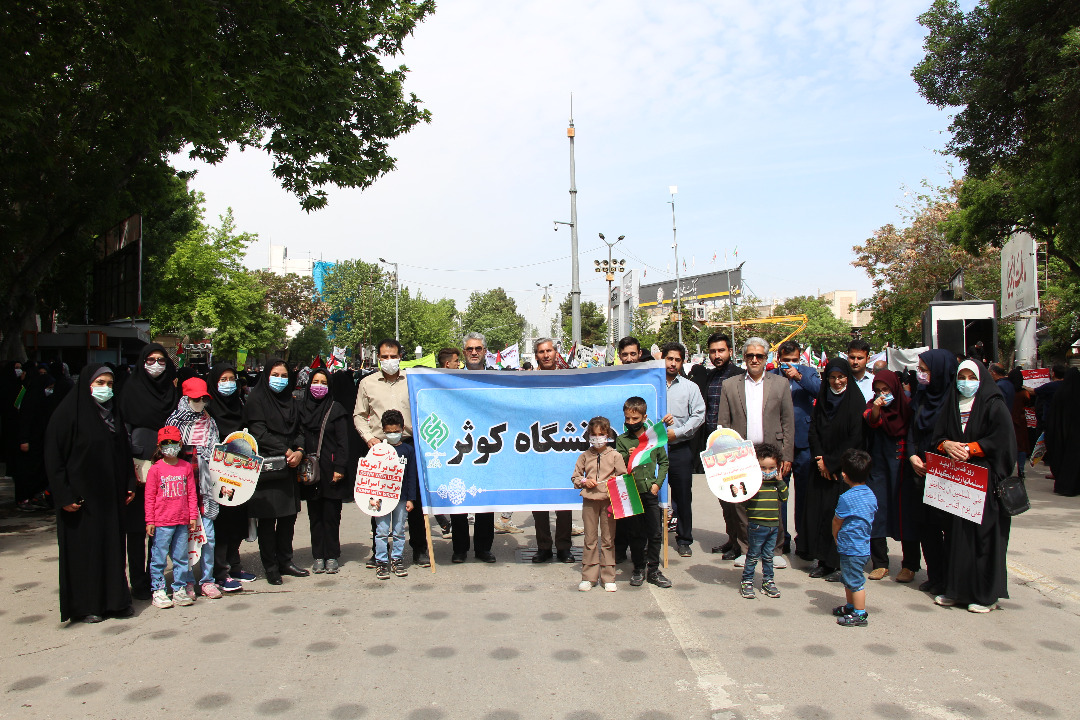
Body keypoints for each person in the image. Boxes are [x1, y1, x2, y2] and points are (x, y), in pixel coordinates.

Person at [45, 365, 137, 623]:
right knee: (86, 551)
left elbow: (123, 451)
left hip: (111, 496)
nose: (106, 389)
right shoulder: (66, 415)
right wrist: (63, 495)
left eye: (109, 383)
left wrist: (129, 481)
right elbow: (54, 459)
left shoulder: (113, 413)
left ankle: (115, 602)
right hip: (81, 500)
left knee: (112, 548)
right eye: (100, 383)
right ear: (86, 384)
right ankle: (87, 606)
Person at [931, 360, 1017, 613]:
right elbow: (937, 437)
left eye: (971, 377)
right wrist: (946, 445)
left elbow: (1003, 440)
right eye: (962, 376)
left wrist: (972, 448)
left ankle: (984, 596)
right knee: (958, 538)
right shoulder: (951, 404)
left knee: (984, 539)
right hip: (959, 484)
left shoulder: (993, 404)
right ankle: (956, 591)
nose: (966, 382)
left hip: (986, 482)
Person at [715, 337, 794, 567]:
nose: (755, 359)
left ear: (766, 358)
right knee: (741, 501)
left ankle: (775, 550)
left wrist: (787, 455)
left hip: (772, 453)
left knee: (774, 502)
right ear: (744, 357)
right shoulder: (731, 385)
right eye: (750, 356)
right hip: (741, 452)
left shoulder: (780, 384)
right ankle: (745, 549)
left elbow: (788, 422)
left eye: (759, 355)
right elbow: (724, 422)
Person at [354, 339, 432, 566]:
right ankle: (378, 551)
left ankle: (420, 549)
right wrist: (369, 438)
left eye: (393, 356)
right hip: (380, 449)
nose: (389, 361)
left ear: (400, 356)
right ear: (378, 358)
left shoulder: (412, 380)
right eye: (384, 357)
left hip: (410, 445)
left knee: (413, 498)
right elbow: (359, 415)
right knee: (378, 499)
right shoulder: (367, 383)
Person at [243, 360, 308, 585]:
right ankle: (270, 566)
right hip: (268, 467)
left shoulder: (292, 401)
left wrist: (299, 450)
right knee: (268, 520)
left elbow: (300, 429)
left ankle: (286, 561)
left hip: (289, 466)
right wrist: (285, 450)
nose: (279, 379)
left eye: (283, 375)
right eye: (275, 374)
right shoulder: (256, 400)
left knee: (288, 518)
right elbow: (258, 432)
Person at [806, 358, 866, 581]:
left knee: (841, 517)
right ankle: (823, 561)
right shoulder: (823, 399)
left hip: (843, 471)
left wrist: (832, 463)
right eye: (832, 377)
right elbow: (814, 430)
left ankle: (839, 563)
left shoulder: (856, 402)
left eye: (841, 377)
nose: (837, 381)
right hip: (821, 468)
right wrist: (820, 459)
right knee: (821, 514)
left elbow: (855, 438)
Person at [164, 377, 223, 599]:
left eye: (203, 398)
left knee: (208, 536)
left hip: (205, 487)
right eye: (196, 398)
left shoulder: (209, 421)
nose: (199, 402)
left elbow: (215, 448)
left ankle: (207, 579)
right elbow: (168, 452)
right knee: (183, 538)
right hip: (181, 488)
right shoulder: (174, 422)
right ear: (186, 397)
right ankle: (186, 580)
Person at [907, 349, 959, 594]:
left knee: (947, 527)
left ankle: (951, 577)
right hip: (921, 471)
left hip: (946, 474)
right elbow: (912, 430)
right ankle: (935, 575)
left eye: (925, 370)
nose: (921, 375)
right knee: (926, 527)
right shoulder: (922, 396)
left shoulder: (955, 400)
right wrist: (912, 455)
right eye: (920, 369)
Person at [690, 333, 745, 556]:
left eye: (721, 351)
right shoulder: (710, 377)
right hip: (713, 446)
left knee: (738, 498)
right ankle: (731, 539)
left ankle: (743, 544)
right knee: (724, 497)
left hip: (734, 445)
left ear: (730, 352)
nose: (716, 355)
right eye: (713, 352)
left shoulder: (740, 376)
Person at [862, 369, 918, 582]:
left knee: (906, 516)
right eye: (878, 391)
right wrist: (877, 407)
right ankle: (880, 563)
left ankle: (910, 565)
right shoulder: (871, 406)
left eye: (886, 390)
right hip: (879, 467)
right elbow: (872, 421)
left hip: (904, 468)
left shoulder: (909, 406)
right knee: (877, 513)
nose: (883, 394)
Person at [769, 340, 820, 559]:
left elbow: (820, 392)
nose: (790, 364)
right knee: (780, 493)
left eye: (795, 360)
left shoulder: (809, 373)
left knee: (805, 495)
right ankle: (782, 540)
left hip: (804, 442)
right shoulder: (772, 377)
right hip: (779, 444)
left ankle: (804, 540)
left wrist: (799, 376)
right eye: (786, 360)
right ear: (779, 359)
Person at [449, 332, 497, 563]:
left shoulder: (497, 379)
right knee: (458, 498)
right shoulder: (450, 379)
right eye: (470, 349)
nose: (475, 352)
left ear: (485, 351)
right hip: (460, 447)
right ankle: (459, 549)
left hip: (488, 446)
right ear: (464, 352)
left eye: (478, 348)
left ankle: (483, 548)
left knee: (485, 501)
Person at [205, 363, 254, 591]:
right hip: (216, 476)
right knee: (221, 526)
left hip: (239, 474)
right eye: (223, 380)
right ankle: (219, 573)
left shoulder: (239, 405)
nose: (228, 384)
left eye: (231, 379)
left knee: (236, 523)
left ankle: (234, 565)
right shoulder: (209, 410)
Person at [615, 396, 670, 588]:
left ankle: (653, 569)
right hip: (631, 492)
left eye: (635, 419)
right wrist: (627, 457)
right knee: (635, 533)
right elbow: (617, 466)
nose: (630, 423)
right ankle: (638, 568)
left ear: (644, 417)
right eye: (627, 419)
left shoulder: (652, 439)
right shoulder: (622, 440)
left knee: (655, 533)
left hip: (650, 492)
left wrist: (657, 484)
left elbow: (664, 462)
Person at [298, 368, 350, 574]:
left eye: (324, 383)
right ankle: (318, 555)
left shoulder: (336, 409)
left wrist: (340, 467)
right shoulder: (301, 408)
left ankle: (332, 555)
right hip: (310, 471)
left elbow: (343, 442)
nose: (319, 386)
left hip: (331, 471)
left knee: (331, 515)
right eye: (316, 381)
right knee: (315, 516)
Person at [530, 337, 575, 563]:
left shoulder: (570, 379)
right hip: (535, 447)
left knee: (563, 500)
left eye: (549, 351)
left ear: (556, 353)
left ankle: (564, 547)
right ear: (536, 356)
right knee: (540, 501)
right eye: (541, 352)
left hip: (564, 446)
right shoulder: (526, 380)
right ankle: (544, 547)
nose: (546, 355)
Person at [572, 416, 628, 592]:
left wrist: (614, 480)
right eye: (594, 435)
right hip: (589, 500)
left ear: (608, 434)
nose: (598, 438)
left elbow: (623, 477)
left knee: (608, 539)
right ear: (589, 436)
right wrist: (583, 481)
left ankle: (608, 576)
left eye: (601, 434)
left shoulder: (615, 455)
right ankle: (588, 576)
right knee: (590, 539)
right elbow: (575, 477)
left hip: (608, 501)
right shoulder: (584, 456)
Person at [145, 426, 199, 609]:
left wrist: (192, 516)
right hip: (161, 522)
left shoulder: (185, 467)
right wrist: (150, 520)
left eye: (173, 443)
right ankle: (158, 590)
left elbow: (192, 493)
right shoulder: (155, 469)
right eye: (166, 443)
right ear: (159, 446)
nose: (170, 447)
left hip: (182, 520)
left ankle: (179, 588)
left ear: (180, 444)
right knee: (158, 557)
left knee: (181, 557)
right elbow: (150, 497)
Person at [660, 342, 705, 557]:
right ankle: (651, 536)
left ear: (682, 362)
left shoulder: (690, 387)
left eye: (677, 359)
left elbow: (698, 416)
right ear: (663, 359)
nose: (673, 363)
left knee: (683, 496)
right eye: (670, 359)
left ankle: (684, 539)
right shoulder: (652, 384)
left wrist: (677, 432)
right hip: (654, 451)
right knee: (651, 494)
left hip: (679, 448)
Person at [831, 449, 877, 627]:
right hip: (862, 545)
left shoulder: (846, 497)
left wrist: (835, 535)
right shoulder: (871, 495)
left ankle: (860, 613)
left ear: (844, 474)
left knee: (855, 581)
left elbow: (837, 520)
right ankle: (850, 606)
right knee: (848, 577)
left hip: (851, 546)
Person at [373, 410, 420, 579]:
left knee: (399, 530)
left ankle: (397, 559)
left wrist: (411, 499)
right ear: (383, 431)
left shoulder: (408, 450)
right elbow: (372, 476)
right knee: (382, 531)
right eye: (389, 432)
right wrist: (373, 498)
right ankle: (381, 561)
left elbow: (411, 477)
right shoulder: (379, 450)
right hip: (383, 498)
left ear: (402, 429)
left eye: (396, 431)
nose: (392, 434)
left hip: (401, 498)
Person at [739, 443, 788, 600]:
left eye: (771, 468)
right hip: (756, 526)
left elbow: (784, 497)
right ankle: (747, 581)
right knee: (753, 554)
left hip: (773, 527)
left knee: (768, 556)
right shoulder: (753, 484)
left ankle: (768, 582)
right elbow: (742, 498)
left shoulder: (776, 484)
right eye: (763, 468)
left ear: (778, 467)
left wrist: (780, 480)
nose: (767, 472)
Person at [14, 369, 57, 511]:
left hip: (39, 442)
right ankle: (23, 499)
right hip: (29, 443)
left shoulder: (45, 401)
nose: (49, 391)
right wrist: (24, 439)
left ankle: (36, 498)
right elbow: (25, 421)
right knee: (27, 472)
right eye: (48, 388)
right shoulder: (31, 399)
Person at [1044, 368, 1080, 497]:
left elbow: (1052, 416)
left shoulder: (1060, 393)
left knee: (1061, 457)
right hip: (1076, 437)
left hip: (1060, 434)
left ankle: (1063, 484)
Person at [1008, 368, 1033, 479]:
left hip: (1009, 421)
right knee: (1021, 447)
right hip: (1021, 422)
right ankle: (1021, 470)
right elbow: (1028, 403)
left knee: (1009, 446)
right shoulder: (1024, 393)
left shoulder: (1007, 390)